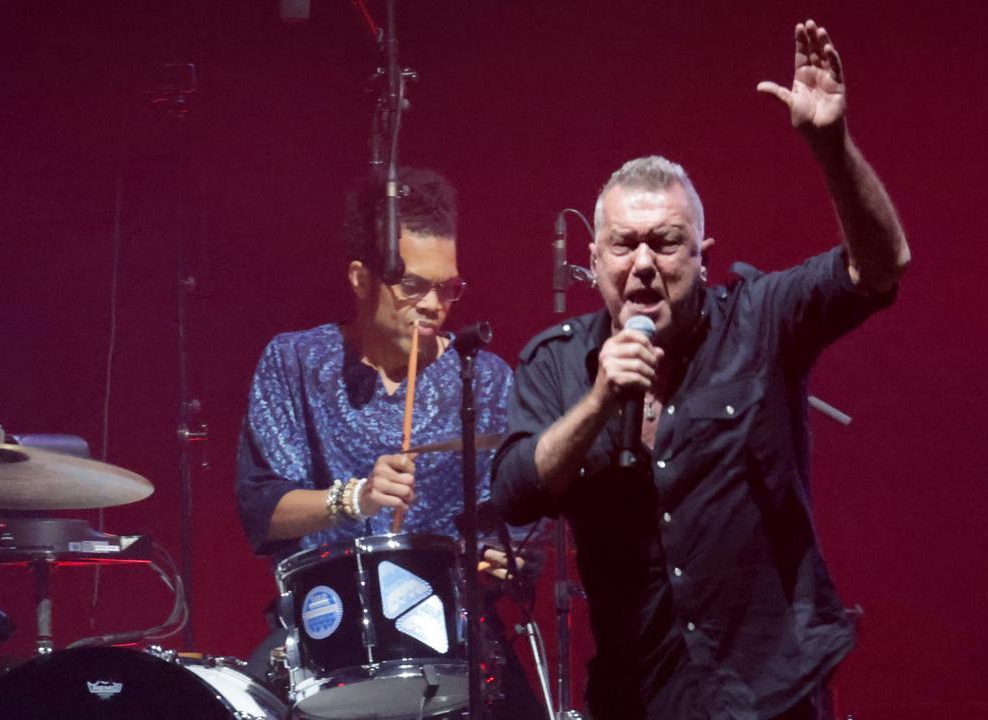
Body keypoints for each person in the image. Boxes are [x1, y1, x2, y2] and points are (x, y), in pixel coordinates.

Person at [491, 19, 910, 720]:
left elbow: (879, 268)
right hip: (637, 695)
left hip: (771, 693)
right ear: (593, 261)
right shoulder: (559, 362)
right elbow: (513, 493)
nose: (645, 263)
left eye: (667, 242)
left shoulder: (760, 320)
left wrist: (830, 145)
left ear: (703, 255)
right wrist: (597, 401)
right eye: (624, 245)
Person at [235, 168, 541, 717]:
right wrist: (354, 499)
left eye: (447, 288)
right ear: (360, 277)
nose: (432, 304)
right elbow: (262, 510)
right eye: (413, 285)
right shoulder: (295, 363)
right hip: (325, 633)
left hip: (454, 637)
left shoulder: (486, 378)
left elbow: (516, 520)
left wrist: (500, 559)